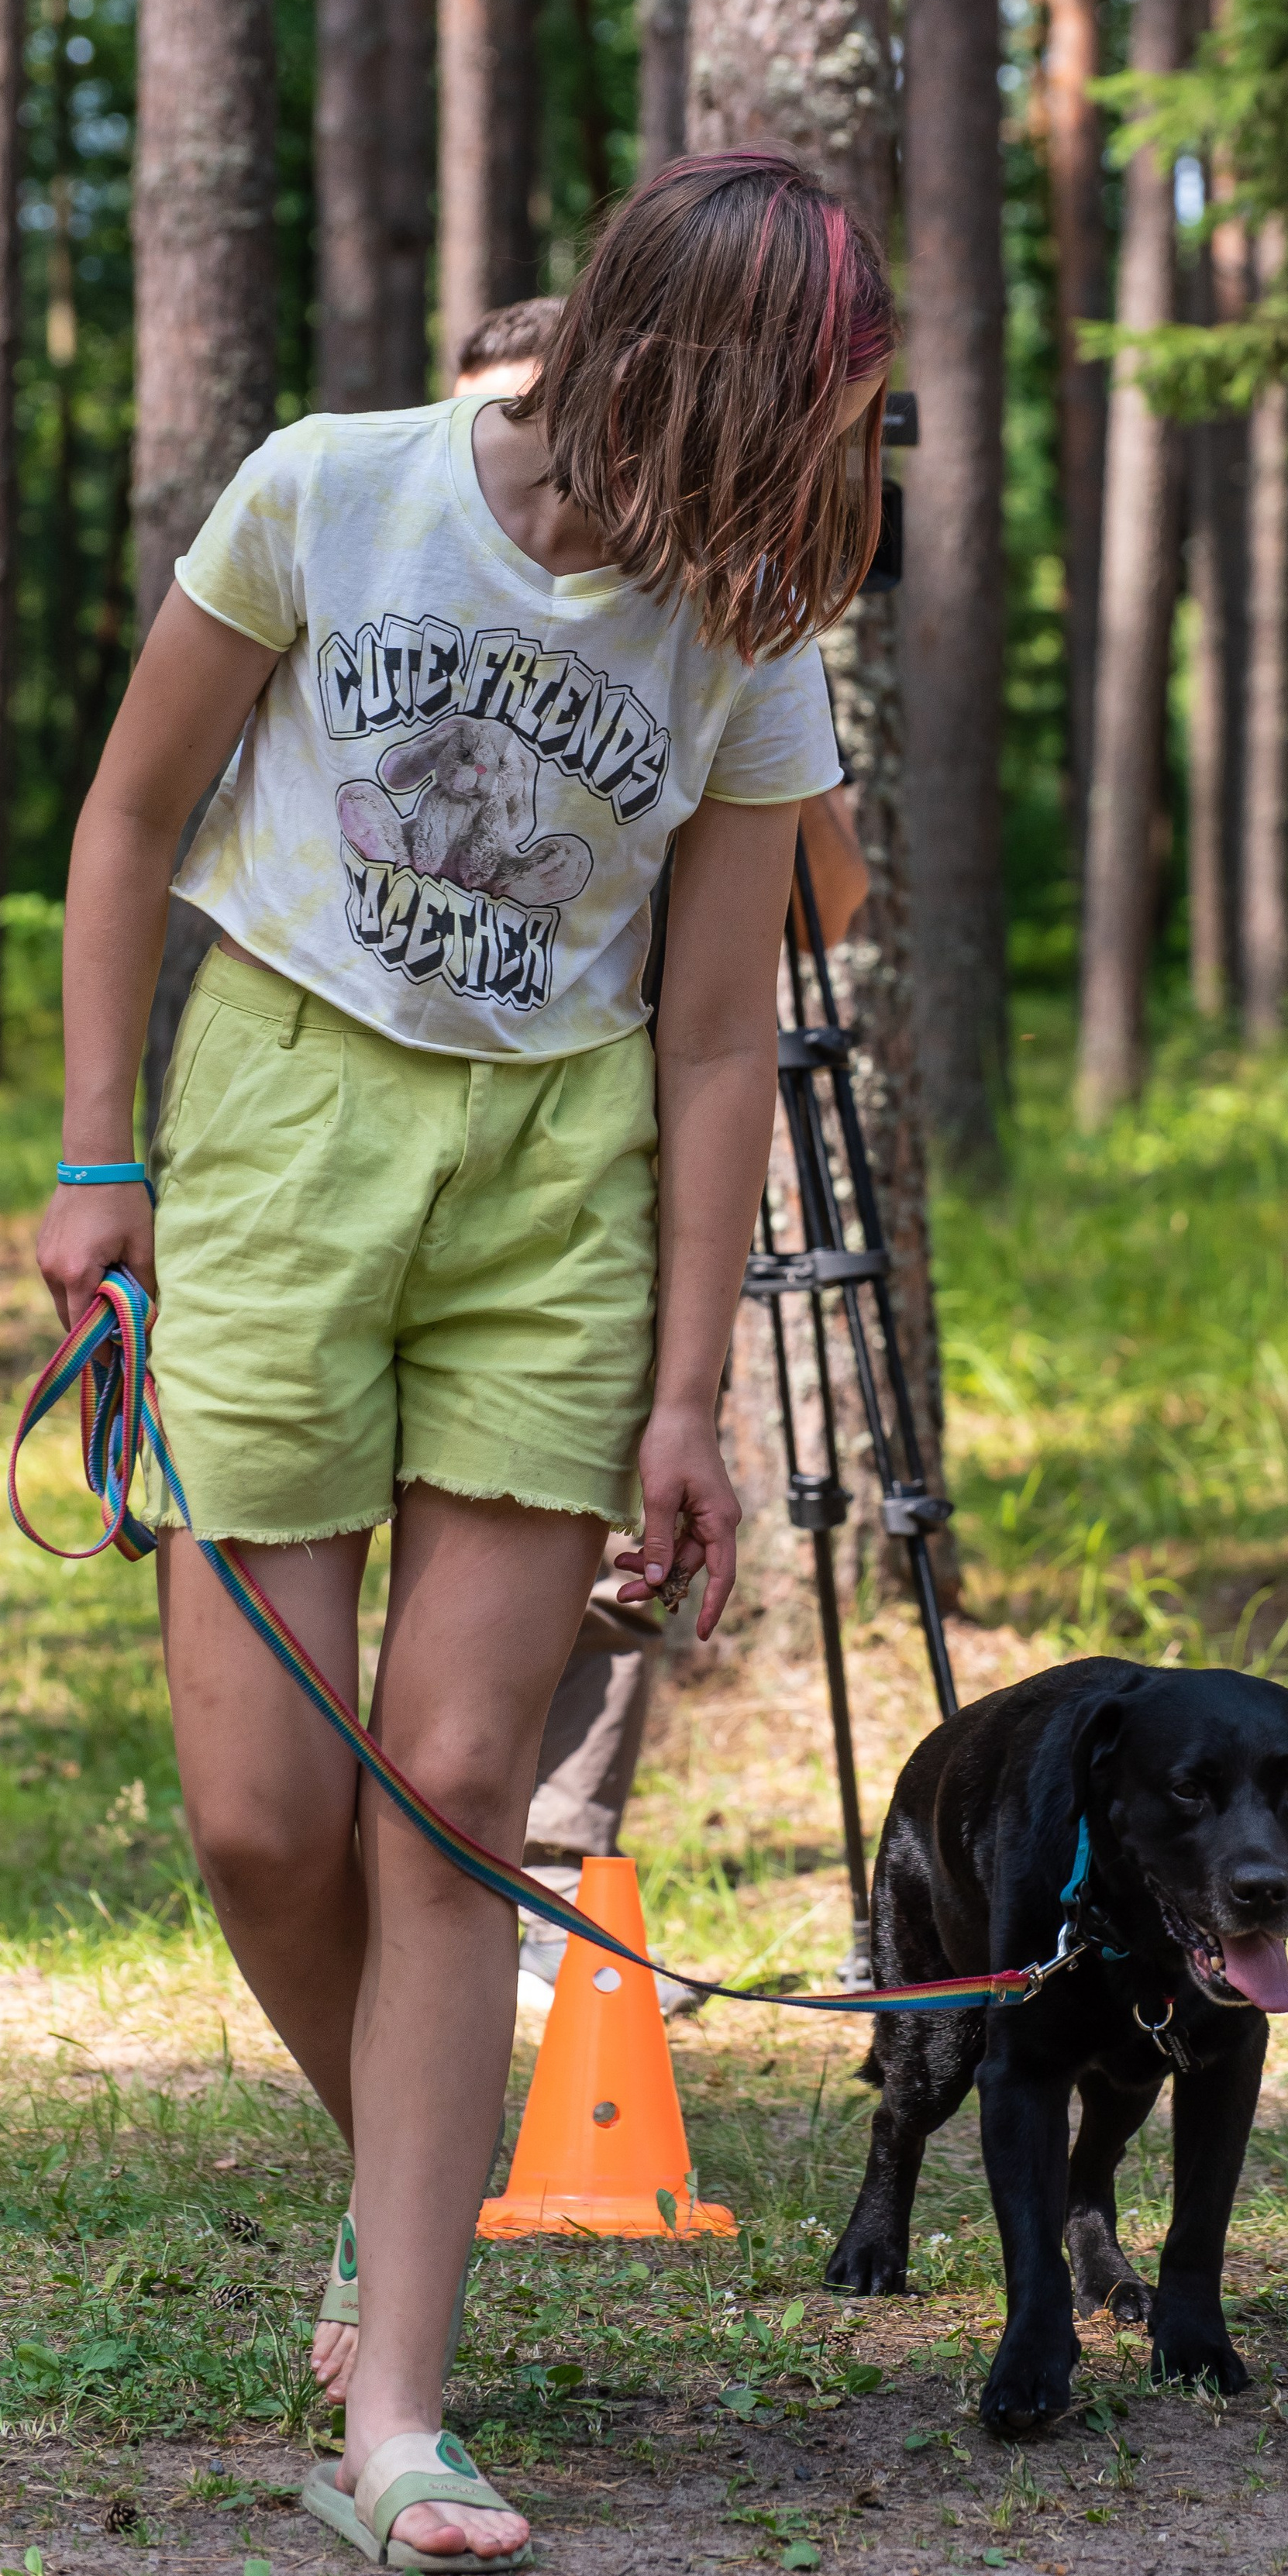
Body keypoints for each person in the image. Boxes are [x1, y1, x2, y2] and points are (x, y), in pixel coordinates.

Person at [36, 153, 897, 2576]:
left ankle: (399, 2404)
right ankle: (395, 2180)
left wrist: (686, 1393)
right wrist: (99, 1159)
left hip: (556, 1189)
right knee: (259, 1816)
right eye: (787, 436)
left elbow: (724, 1028)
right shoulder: (337, 489)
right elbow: (124, 814)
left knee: (441, 1800)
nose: (802, 504)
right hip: (287, 1123)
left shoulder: (744, 625)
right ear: (663, 361)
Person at [444, 302, 870, 2016]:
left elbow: (822, 917)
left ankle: (552, 1869)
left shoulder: (718, 628)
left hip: (608, 1130)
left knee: (603, 1502)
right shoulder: (399, 548)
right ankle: (406, 1860)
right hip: (396, 1117)